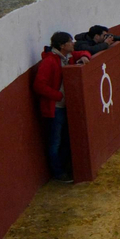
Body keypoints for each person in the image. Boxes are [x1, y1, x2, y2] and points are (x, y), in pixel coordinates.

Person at [32, 31, 89, 183]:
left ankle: (63, 169)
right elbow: (38, 86)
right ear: (62, 45)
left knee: (65, 140)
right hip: (55, 108)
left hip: (63, 107)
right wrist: (59, 96)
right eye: (70, 41)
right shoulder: (49, 62)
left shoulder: (67, 57)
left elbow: (83, 52)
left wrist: (85, 57)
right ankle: (58, 173)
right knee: (55, 142)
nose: (73, 43)